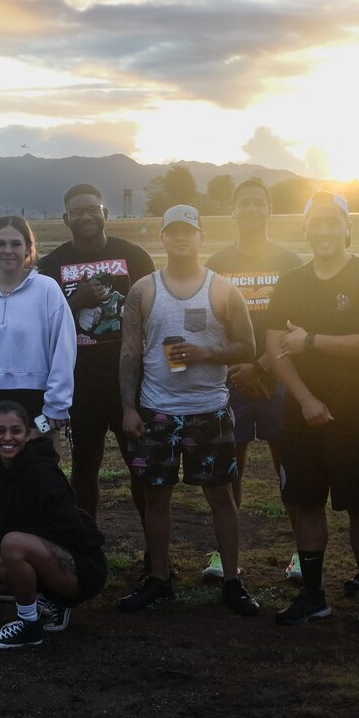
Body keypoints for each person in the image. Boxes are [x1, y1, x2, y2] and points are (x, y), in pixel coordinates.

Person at [116, 205, 261, 617]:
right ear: (162, 239)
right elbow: (129, 353)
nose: (180, 240)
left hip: (208, 409)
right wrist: (129, 408)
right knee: (156, 496)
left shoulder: (222, 290)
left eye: (188, 233)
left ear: (201, 238)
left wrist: (206, 353)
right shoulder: (143, 290)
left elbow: (247, 348)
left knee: (220, 495)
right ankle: (159, 578)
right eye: (172, 233)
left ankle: (233, 579)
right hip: (157, 410)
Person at [264, 192, 359, 629]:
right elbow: (274, 348)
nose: (323, 230)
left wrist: (313, 340)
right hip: (301, 415)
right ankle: (313, 595)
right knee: (305, 503)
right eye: (315, 223)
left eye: (332, 222)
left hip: (358, 415)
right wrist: (304, 399)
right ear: (305, 229)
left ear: (347, 227)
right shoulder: (291, 282)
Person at [202, 177, 301, 583]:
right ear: (234, 210)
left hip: (280, 378)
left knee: (291, 468)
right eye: (245, 203)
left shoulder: (291, 262)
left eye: (260, 203)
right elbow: (209, 327)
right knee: (231, 470)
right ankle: (226, 557)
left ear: (269, 210)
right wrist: (234, 369)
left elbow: (298, 326)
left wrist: (261, 366)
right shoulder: (218, 263)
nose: (253, 210)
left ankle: (302, 552)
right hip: (232, 382)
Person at [37, 183, 156, 521]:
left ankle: (156, 552)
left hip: (130, 383)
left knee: (141, 468)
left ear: (105, 213)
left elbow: (156, 314)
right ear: (65, 218)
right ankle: (86, 545)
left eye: (93, 209)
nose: (86, 216)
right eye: (77, 212)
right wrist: (76, 303)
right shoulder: (51, 264)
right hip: (81, 384)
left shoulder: (135, 256)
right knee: (85, 468)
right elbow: (42, 325)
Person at [0, 402, 109, 650]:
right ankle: (51, 601)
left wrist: (22, 551)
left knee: (13, 544)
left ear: (28, 434)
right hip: (39, 554)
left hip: (83, 568)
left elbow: (72, 529)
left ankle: (29, 625)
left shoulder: (42, 472)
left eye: (16, 431)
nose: (7, 438)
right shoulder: (0, 469)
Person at [0, 216, 75, 431]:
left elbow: (63, 348)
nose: (7, 250)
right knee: (1, 464)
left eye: (16, 244)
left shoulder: (47, 289)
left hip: (39, 396)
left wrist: (57, 402)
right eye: (0, 244)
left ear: (28, 248)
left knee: (41, 463)